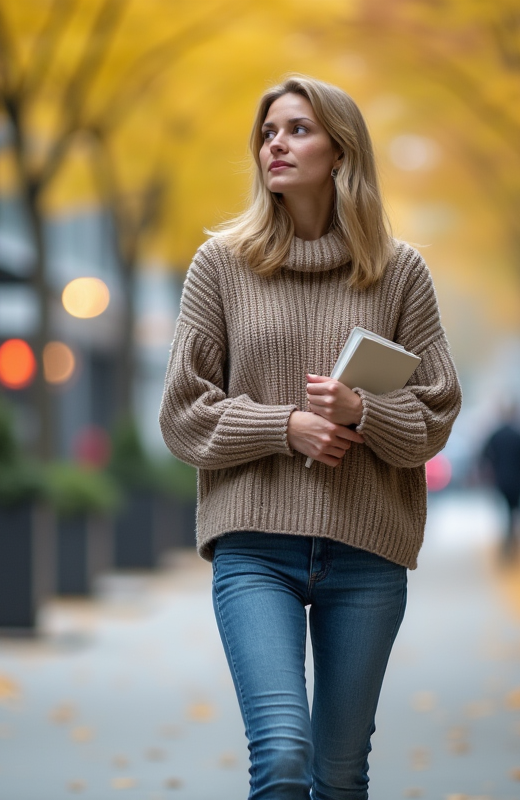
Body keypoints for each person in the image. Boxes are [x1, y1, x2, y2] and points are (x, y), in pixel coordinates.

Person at [158, 75, 461, 799]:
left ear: (341, 150)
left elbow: (439, 412)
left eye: (297, 129)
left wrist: (364, 412)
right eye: (267, 132)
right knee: (285, 755)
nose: (276, 145)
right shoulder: (221, 266)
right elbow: (181, 412)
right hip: (255, 546)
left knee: (339, 773)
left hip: (366, 549)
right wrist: (284, 427)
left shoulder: (399, 272)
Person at [480, 404, 520, 559]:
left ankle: (509, 541)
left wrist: (487, 471)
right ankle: (514, 541)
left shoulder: (496, 435)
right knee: (517, 511)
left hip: (501, 481)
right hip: (519, 482)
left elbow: (484, 455)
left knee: (507, 512)